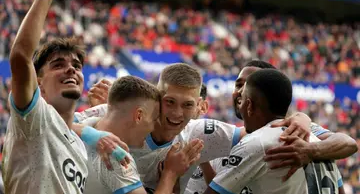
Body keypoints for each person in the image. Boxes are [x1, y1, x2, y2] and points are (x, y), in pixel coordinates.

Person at [78, 63, 314, 194]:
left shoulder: (199, 134)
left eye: (187, 105)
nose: (177, 113)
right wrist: (93, 134)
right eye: (169, 101)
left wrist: (300, 119)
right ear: (156, 95)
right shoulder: (118, 115)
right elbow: (55, 121)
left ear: (200, 106)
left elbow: (257, 129)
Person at [2, 0, 125, 194]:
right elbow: (20, 56)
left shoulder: (78, 144)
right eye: (58, 65)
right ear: (38, 83)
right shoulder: (35, 116)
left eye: (76, 66)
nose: (71, 70)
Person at [186, 60, 353, 194]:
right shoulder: (311, 139)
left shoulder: (269, 140)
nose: (240, 93)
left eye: (248, 87)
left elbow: (349, 143)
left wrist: (311, 151)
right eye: (238, 85)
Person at [81, 76, 204, 194]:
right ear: (139, 116)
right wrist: (171, 173)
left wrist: (89, 133)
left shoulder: (83, 123)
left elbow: (65, 122)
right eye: (155, 119)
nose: (153, 127)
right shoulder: (118, 160)